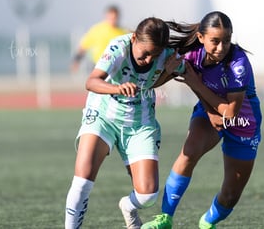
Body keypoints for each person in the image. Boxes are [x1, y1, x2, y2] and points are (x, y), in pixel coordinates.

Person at [141, 11, 262, 229]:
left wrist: (194, 83)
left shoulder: (238, 64)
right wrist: (164, 72)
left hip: (243, 123)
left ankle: (207, 222)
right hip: (207, 112)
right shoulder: (190, 54)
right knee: (189, 152)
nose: (221, 47)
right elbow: (155, 82)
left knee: (230, 195)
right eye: (215, 41)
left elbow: (229, 114)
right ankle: (165, 218)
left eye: (226, 40)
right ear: (201, 38)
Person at [64, 17, 184, 229]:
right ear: (135, 38)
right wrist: (117, 88)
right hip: (103, 116)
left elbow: (155, 80)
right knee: (82, 181)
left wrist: (170, 71)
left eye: (154, 55)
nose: (148, 60)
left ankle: (128, 206)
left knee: (148, 195)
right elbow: (91, 81)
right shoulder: (118, 47)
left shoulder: (166, 56)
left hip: (140, 123)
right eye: (145, 53)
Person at [70, 5, 128, 72]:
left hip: (116, 67)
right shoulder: (97, 30)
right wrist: (76, 60)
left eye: (115, 18)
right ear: (106, 16)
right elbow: (83, 46)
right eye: (111, 18)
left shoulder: (123, 32)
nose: (113, 20)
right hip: (98, 65)